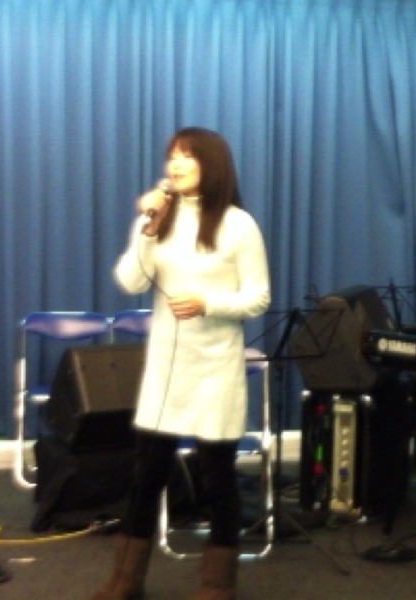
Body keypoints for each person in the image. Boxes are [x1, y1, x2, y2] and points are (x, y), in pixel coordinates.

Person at [92, 127, 271, 600]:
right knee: (145, 478)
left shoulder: (238, 224)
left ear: (211, 164)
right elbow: (131, 281)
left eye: (187, 156)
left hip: (215, 371)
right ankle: (125, 581)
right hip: (165, 372)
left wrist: (208, 303)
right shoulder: (160, 218)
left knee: (218, 480)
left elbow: (259, 297)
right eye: (172, 155)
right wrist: (149, 228)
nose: (175, 164)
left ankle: (217, 587)